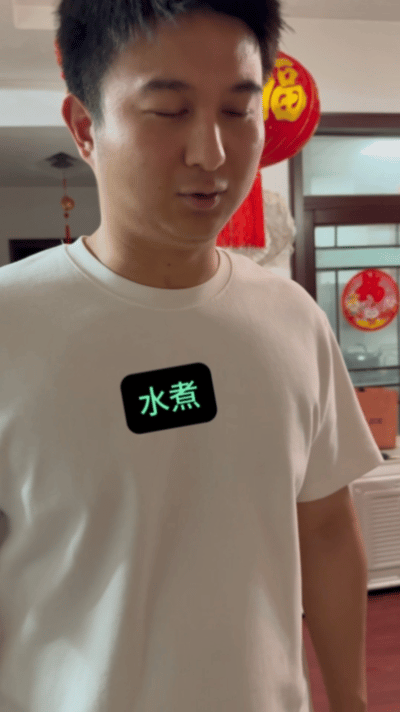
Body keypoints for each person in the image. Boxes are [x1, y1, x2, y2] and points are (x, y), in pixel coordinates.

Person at [0, 1, 384, 711]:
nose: (211, 153)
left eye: (238, 111)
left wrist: (353, 702)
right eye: (169, 111)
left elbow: (327, 530)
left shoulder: (293, 319)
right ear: (85, 127)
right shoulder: (11, 326)